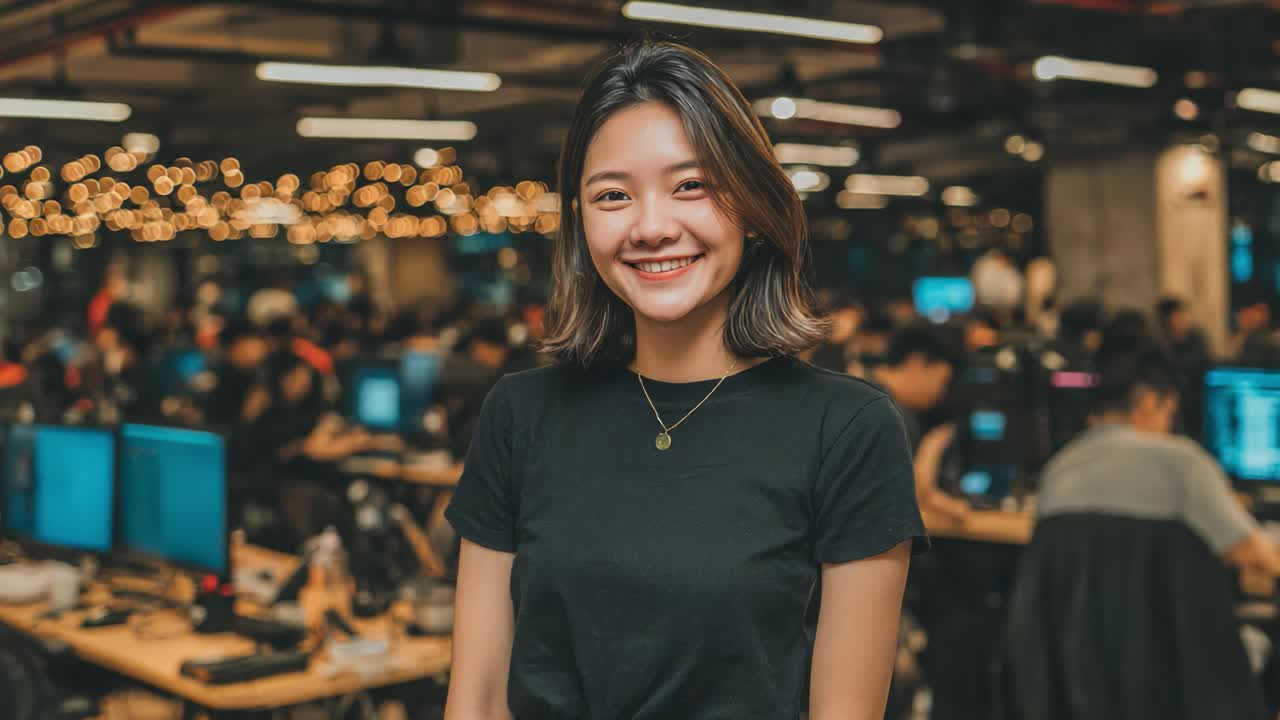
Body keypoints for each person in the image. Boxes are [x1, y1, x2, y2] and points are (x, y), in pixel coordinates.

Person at [444, 41, 926, 720]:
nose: (650, 227)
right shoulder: (520, 414)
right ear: (582, 224)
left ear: (753, 208)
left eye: (690, 186)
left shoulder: (846, 428)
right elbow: (478, 699)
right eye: (613, 195)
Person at [1007, 341, 1280, 720]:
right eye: (1170, 411)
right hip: (1177, 683)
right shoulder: (1182, 462)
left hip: (1079, 687)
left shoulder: (1057, 470)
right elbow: (1253, 553)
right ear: (1152, 401)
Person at [1156, 296, 1212, 437]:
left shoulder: (1197, 341)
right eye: (1177, 317)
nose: (1182, 321)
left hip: (1197, 407)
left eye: (1183, 316)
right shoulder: (1160, 346)